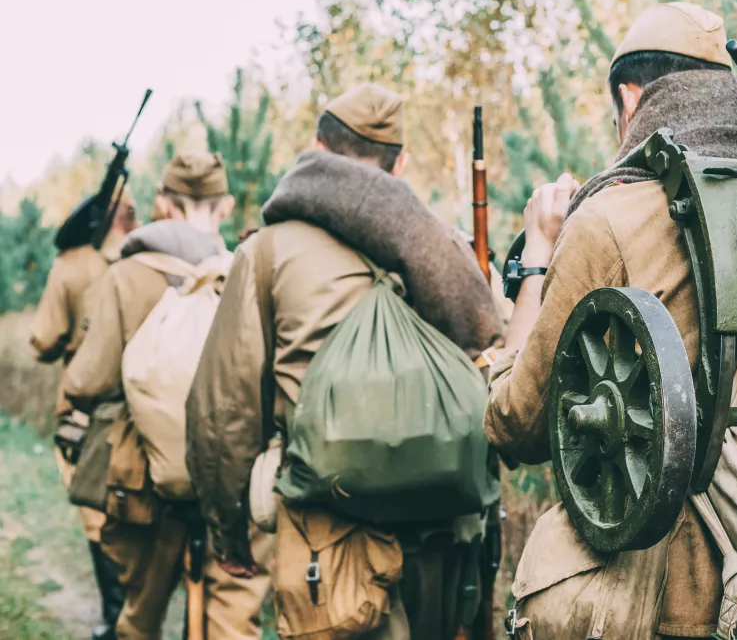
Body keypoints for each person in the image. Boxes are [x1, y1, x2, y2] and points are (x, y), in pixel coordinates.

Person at [485, 2, 737, 638]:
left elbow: (516, 425)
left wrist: (537, 258)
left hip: (691, 605)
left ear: (630, 99)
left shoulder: (611, 219)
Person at [186, 82, 505, 639]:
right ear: (400, 165)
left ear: (317, 146)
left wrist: (228, 529)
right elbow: (496, 371)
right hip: (440, 544)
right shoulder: (447, 250)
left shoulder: (267, 251)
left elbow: (224, 409)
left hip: (326, 546)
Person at [63, 152, 274, 640]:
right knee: (233, 616)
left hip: (145, 484)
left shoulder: (124, 275)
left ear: (162, 204)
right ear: (225, 207)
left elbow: (86, 382)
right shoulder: (245, 272)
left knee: (141, 612)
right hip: (233, 479)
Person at [30, 186, 139, 640]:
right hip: (142, 406)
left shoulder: (71, 265)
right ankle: (138, 612)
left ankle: (115, 618)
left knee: (96, 513)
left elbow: (43, 341)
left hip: (84, 411)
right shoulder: (147, 260)